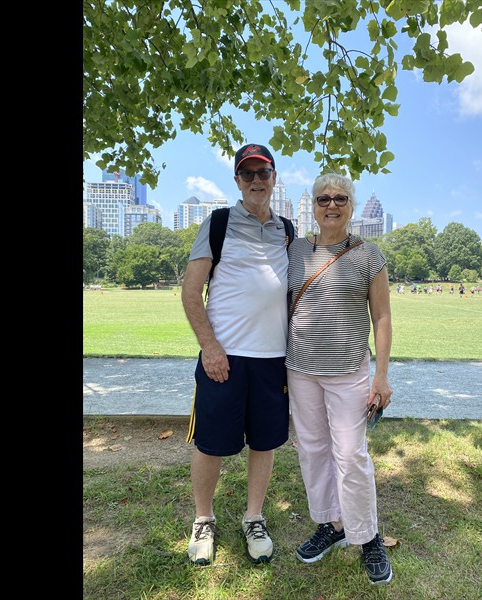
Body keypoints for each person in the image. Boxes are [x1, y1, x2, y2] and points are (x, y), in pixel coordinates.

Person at [181, 143, 293, 566]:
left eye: (263, 172)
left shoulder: (287, 229)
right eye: (248, 174)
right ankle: (203, 519)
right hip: (222, 358)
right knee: (210, 443)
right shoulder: (218, 223)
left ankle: (254, 518)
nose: (256, 181)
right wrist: (210, 346)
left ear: (274, 178)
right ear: (237, 181)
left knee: (263, 443)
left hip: (272, 361)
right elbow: (191, 291)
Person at [285, 172, 394, 585]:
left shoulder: (369, 254)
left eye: (341, 198)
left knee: (351, 457)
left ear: (351, 205)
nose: (331, 205)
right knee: (313, 450)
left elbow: (381, 317)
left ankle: (367, 537)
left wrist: (380, 375)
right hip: (300, 370)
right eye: (323, 198)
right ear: (312, 206)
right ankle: (332, 524)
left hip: (349, 372)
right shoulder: (294, 250)